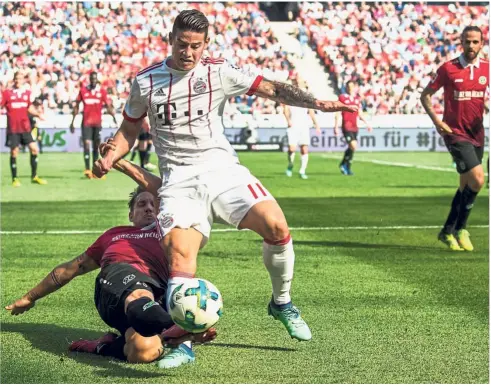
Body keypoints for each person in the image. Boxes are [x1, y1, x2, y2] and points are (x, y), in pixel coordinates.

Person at [93, 9, 357, 342]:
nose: (188, 53)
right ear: (170, 40)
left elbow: (274, 90)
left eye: (196, 46)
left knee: (276, 226)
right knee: (180, 256)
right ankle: (183, 342)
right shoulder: (146, 81)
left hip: (222, 170)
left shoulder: (219, 72)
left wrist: (317, 103)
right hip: (178, 181)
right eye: (182, 44)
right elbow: (127, 131)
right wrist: (112, 155)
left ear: (206, 44)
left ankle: (282, 302)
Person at [5, 186, 216, 369]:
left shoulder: (169, 237)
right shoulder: (114, 235)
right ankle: (173, 329)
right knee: (139, 292)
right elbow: (72, 268)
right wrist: (30, 296)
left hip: (151, 302)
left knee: (143, 352)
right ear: (131, 214)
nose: (149, 208)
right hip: (115, 282)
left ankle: (105, 346)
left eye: (154, 204)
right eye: (142, 204)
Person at [420, 26, 488, 251]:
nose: (471, 46)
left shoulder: (487, 69)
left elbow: (481, 98)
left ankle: (446, 231)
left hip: (477, 133)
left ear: (481, 43)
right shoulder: (448, 69)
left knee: (465, 185)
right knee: (478, 179)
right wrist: (437, 121)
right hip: (455, 133)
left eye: (475, 42)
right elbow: (426, 95)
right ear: (461, 42)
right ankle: (461, 228)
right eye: (467, 42)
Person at [1, 72, 47, 187]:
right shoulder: (7, 93)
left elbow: (29, 108)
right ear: (14, 80)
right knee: (14, 152)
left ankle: (34, 176)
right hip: (13, 128)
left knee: (34, 149)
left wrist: (38, 114)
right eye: (16, 78)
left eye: (20, 78)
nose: (18, 81)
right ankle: (15, 179)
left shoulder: (27, 93)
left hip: (25, 128)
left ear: (23, 80)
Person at [70, 72, 118, 179]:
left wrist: (114, 118)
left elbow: (108, 106)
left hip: (97, 123)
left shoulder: (102, 91)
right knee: (87, 144)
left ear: (96, 80)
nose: (93, 81)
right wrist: (72, 121)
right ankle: (87, 169)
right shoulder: (83, 91)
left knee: (96, 146)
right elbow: (77, 106)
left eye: (94, 79)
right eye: (91, 79)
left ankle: (95, 171)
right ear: (89, 79)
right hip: (86, 123)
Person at [284, 78, 320, 180]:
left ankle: (302, 171)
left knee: (304, 149)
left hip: (304, 126)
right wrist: (288, 121)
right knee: (292, 149)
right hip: (293, 126)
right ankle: (290, 165)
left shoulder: (307, 98)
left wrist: (316, 124)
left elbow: (311, 112)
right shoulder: (290, 97)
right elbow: (285, 110)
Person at [334, 81, 373, 176]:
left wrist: (367, 124)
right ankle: (346, 166)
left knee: (352, 147)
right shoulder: (342, 98)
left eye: (352, 86)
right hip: (346, 126)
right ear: (346, 87)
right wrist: (336, 126)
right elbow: (338, 112)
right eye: (349, 86)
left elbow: (359, 113)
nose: (350, 88)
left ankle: (344, 165)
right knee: (353, 145)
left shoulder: (357, 99)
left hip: (355, 127)